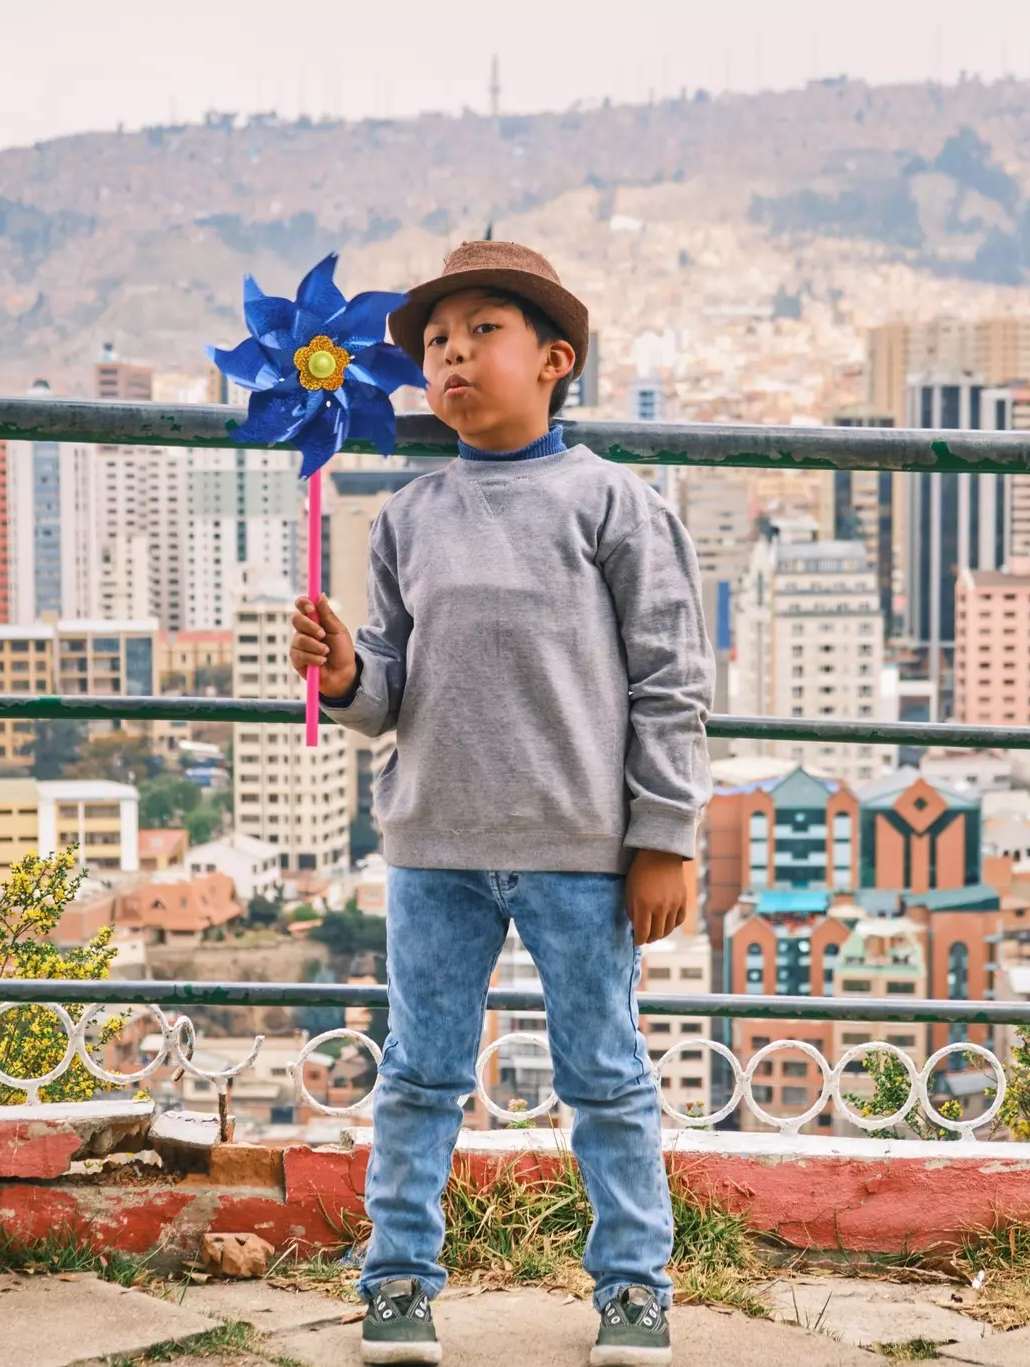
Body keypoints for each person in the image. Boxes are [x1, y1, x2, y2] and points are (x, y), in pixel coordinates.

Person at [289, 240, 713, 1367]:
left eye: (482, 331)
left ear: (554, 358)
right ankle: (396, 1280)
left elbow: (671, 679)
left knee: (605, 1075)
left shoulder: (615, 503)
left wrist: (663, 835)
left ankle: (632, 1285)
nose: (452, 356)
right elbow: (387, 692)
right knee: (420, 1071)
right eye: (434, 343)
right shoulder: (405, 517)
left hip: (580, 847)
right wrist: (340, 671)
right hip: (433, 845)